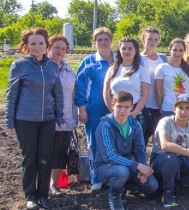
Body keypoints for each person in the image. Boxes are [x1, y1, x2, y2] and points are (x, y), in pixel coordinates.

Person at [6, 28, 65, 210]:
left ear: (46, 44)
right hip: (25, 120)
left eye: (40, 43)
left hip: (47, 120)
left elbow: (58, 93)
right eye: (33, 44)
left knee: (45, 158)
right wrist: (9, 120)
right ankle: (30, 195)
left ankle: (43, 194)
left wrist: (59, 116)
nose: (37, 47)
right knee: (30, 158)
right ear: (26, 46)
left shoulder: (52, 66)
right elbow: (11, 95)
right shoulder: (19, 66)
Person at [94, 91, 158, 210]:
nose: (122, 110)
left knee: (152, 186)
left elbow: (140, 151)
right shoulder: (105, 126)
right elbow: (110, 156)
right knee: (121, 172)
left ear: (132, 107)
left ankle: (123, 187)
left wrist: (141, 169)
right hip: (105, 167)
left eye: (126, 107)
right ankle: (114, 196)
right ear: (113, 106)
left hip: (129, 165)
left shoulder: (135, 125)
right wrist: (137, 166)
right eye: (119, 106)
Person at [150, 94, 189, 207]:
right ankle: (168, 193)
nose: (184, 111)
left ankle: (176, 182)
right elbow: (165, 145)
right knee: (170, 159)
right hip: (162, 160)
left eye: (187, 108)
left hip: (182, 161)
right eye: (180, 108)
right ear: (174, 109)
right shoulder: (165, 122)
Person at [76, 27, 115, 192]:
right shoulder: (88, 62)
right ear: (94, 42)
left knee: (114, 144)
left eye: (106, 39)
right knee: (95, 144)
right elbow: (80, 87)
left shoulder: (120, 59)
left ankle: (112, 176)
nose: (103, 42)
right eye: (99, 40)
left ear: (111, 40)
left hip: (116, 110)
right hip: (94, 110)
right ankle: (96, 177)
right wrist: (82, 109)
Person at [48, 35, 78, 197]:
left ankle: (54, 184)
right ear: (49, 48)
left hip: (65, 119)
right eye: (56, 47)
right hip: (45, 119)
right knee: (43, 153)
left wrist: (74, 117)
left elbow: (73, 96)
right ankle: (41, 184)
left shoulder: (69, 71)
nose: (60, 51)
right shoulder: (43, 68)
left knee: (60, 153)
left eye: (63, 49)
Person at [103, 37, 150, 133]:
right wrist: (113, 112)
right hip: (116, 112)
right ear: (119, 50)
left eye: (130, 48)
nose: (126, 51)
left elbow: (145, 94)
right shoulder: (112, 70)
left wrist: (134, 113)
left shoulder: (142, 71)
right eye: (123, 48)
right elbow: (106, 93)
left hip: (136, 114)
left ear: (135, 50)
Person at [140, 26, 168, 143]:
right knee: (142, 138)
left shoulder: (162, 58)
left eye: (156, 39)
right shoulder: (138, 58)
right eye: (150, 39)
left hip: (159, 104)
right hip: (144, 105)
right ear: (143, 39)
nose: (153, 42)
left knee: (159, 140)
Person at [155, 38, 189, 117]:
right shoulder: (162, 68)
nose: (177, 53)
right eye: (175, 50)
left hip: (186, 109)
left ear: (184, 51)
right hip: (169, 108)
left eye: (180, 50)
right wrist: (160, 108)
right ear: (170, 50)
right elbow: (158, 92)